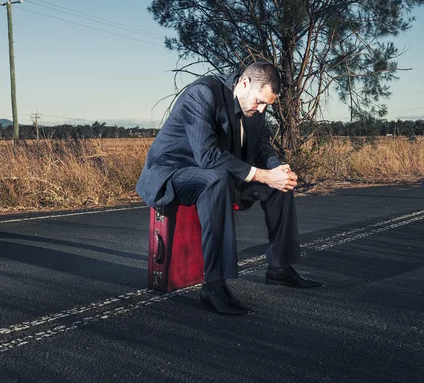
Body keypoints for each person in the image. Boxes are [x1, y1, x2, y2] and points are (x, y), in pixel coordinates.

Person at [136, 62, 323, 316]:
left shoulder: (255, 105)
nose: (262, 109)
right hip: (172, 171)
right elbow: (206, 156)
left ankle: (280, 268)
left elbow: (262, 147)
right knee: (217, 180)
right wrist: (262, 175)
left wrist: (278, 172)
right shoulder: (202, 94)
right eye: (260, 102)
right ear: (244, 84)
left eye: (268, 104)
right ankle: (214, 286)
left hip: (217, 171)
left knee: (281, 184)